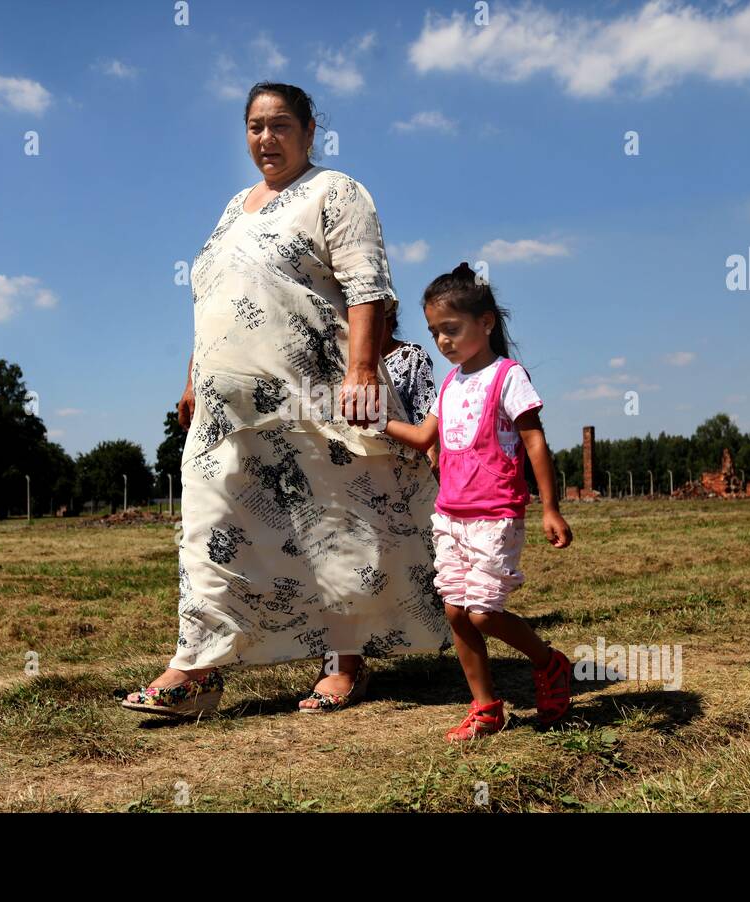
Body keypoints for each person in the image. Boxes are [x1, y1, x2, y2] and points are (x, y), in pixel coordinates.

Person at [121, 83, 447, 718]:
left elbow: (368, 288)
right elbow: (211, 299)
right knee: (208, 529)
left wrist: (360, 371)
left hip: (312, 398)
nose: (265, 138)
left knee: (334, 524)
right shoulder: (231, 209)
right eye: (253, 127)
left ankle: (345, 660)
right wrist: (194, 378)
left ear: (309, 130)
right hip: (226, 410)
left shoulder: (336, 191)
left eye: (279, 125)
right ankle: (197, 670)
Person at [384, 262, 574, 741]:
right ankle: (486, 706)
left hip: (495, 516)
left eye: (451, 329)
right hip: (450, 517)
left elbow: (535, 442)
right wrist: (376, 423)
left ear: (485, 322)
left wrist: (549, 507)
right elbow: (424, 435)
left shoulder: (507, 376)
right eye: (434, 333)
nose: (443, 341)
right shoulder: (448, 385)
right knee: (454, 611)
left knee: (484, 613)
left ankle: (550, 664)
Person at [381, 307, 439, 472]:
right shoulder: (350, 363)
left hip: (406, 463)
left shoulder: (412, 355)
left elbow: (426, 410)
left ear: (390, 321)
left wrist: (432, 452)